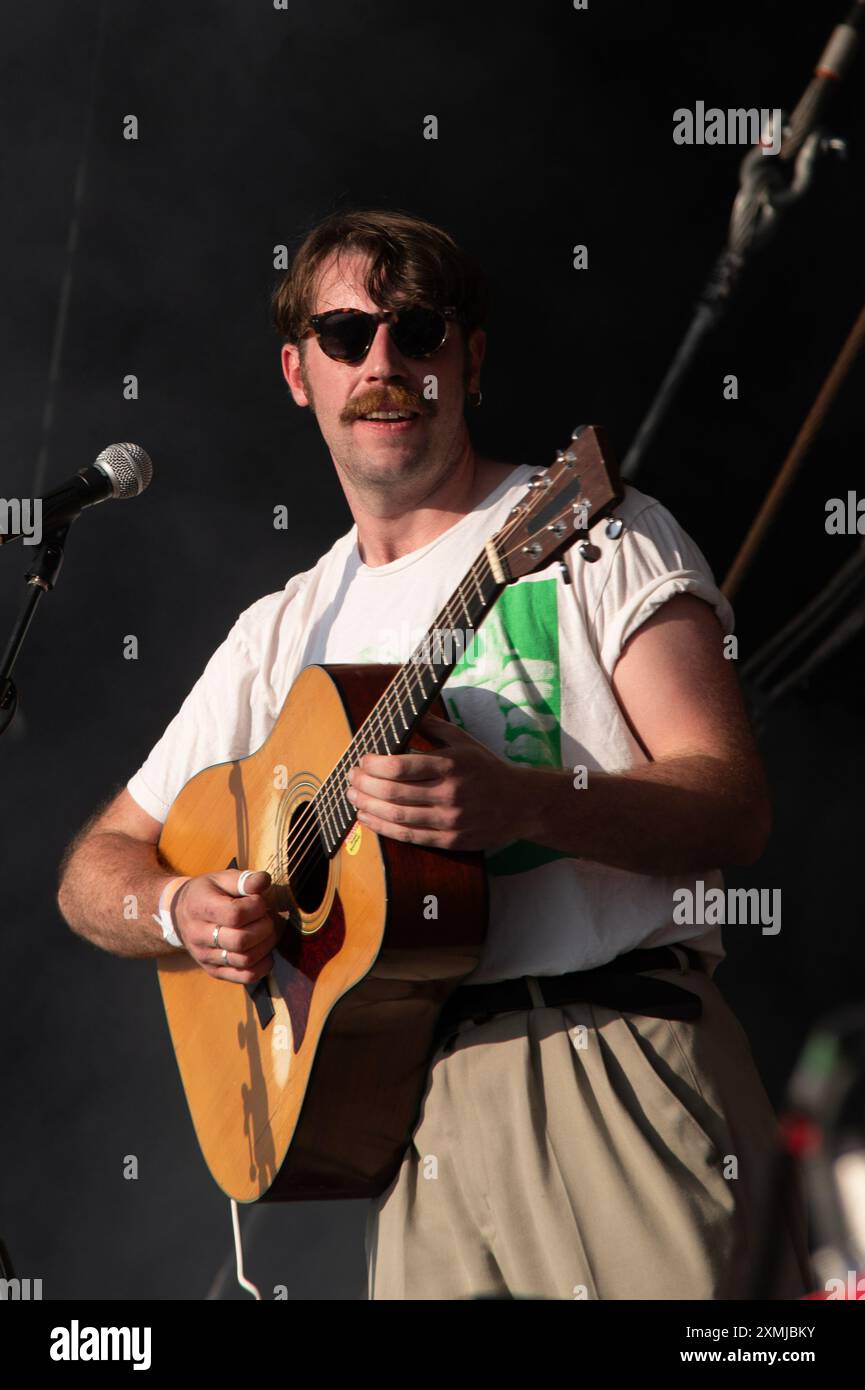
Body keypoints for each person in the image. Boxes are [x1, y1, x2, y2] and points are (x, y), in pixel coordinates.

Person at [57, 207, 812, 1301]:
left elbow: (731, 804)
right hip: (397, 1105)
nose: (381, 362)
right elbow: (97, 868)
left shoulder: (591, 531)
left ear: (469, 359)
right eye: (345, 335)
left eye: (417, 332)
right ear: (295, 370)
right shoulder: (284, 628)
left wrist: (523, 804)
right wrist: (182, 910)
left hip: (604, 1059)